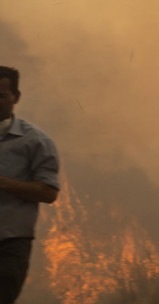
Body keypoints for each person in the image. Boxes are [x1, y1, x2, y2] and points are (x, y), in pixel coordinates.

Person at [0, 66, 60, 304]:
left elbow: (49, 192)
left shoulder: (35, 141)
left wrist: (3, 183)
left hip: (9, 247)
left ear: (16, 97)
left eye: (1, 96)